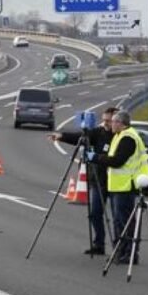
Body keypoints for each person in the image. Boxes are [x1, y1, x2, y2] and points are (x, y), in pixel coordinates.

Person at [48, 107, 117, 255]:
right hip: (98, 179)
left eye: (109, 121)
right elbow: (81, 138)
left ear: (117, 121)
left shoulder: (121, 137)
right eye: (104, 120)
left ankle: (121, 248)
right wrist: (61, 136)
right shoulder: (99, 132)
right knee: (95, 213)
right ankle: (99, 244)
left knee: (118, 217)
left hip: (117, 182)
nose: (105, 123)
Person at [90, 111, 148, 264]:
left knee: (125, 222)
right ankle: (120, 251)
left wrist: (96, 157)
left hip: (127, 185)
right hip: (118, 186)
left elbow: (117, 161)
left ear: (121, 123)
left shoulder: (128, 138)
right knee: (119, 221)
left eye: (113, 122)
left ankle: (130, 253)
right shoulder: (119, 136)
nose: (110, 124)